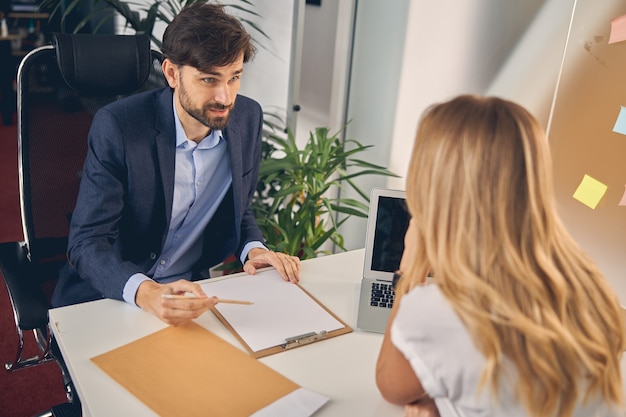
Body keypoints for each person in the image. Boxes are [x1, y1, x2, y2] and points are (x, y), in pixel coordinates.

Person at [52, 2, 300, 326]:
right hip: (114, 295)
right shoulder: (119, 127)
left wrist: (255, 250)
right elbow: (87, 243)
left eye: (234, 77)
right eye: (209, 80)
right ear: (172, 73)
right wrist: (147, 292)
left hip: (190, 295)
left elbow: (239, 208)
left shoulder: (247, 120)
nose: (225, 97)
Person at [376, 95, 625, 417]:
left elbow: (391, 388)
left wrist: (410, 269)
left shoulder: (439, 311)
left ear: (433, 187)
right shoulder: (588, 283)